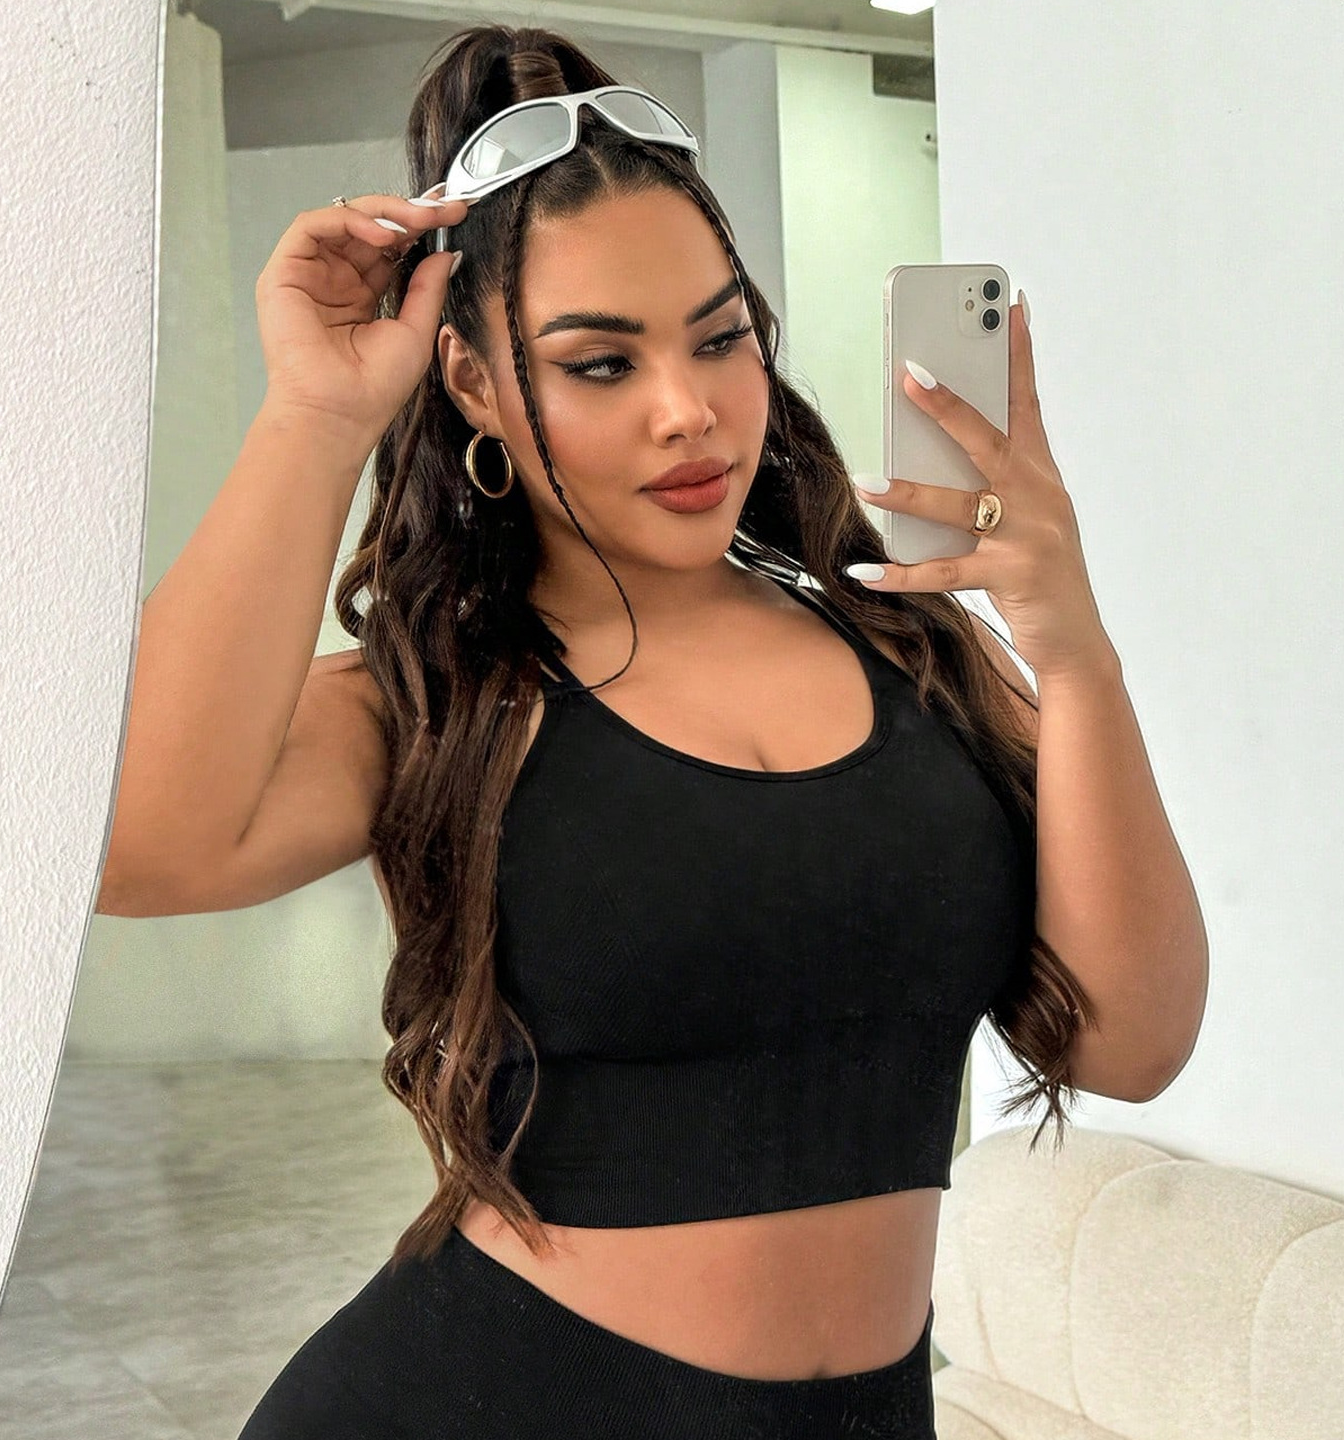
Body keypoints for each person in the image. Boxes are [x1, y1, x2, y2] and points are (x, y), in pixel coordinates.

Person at [104, 19, 1205, 1440]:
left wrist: (1077, 653)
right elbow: (136, 850)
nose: (689, 413)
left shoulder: (919, 653)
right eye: (600, 364)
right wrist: (314, 419)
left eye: (720, 337)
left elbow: (1132, 1043)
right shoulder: (440, 698)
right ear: (475, 384)